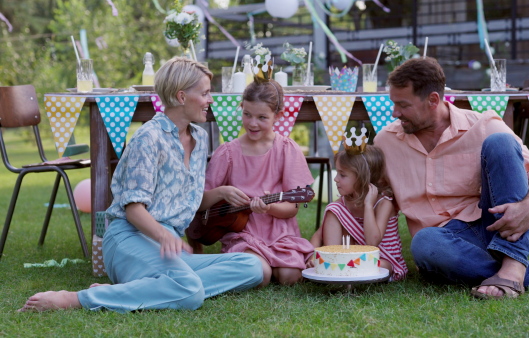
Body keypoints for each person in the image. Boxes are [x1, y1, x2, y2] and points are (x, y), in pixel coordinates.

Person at [19, 57, 263, 313]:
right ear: (181, 96)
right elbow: (134, 210)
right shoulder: (148, 138)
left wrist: (220, 193)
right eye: (204, 93)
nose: (210, 100)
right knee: (190, 293)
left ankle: (147, 287)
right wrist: (163, 235)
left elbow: (185, 200)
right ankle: (75, 299)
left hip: (167, 246)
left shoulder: (200, 139)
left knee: (252, 266)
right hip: (130, 237)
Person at [373, 57, 529, 299]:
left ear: (433, 100)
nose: (395, 112)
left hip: (494, 226)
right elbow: (373, 197)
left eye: (403, 105)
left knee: (501, 143)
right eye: (393, 103)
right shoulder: (385, 142)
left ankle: (513, 264)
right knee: (424, 243)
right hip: (441, 244)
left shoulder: (483, 125)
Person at [200, 71, 314, 287]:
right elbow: (202, 202)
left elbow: (292, 208)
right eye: (247, 114)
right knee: (260, 276)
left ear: (278, 116)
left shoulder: (286, 149)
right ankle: (261, 265)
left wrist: (269, 208)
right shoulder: (228, 152)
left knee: (291, 277)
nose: (252, 123)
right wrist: (222, 192)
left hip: (280, 232)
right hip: (243, 232)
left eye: (262, 117)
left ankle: (276, 262)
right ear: (241, 107)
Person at [309, 137, 408, 281]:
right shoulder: (342, 204)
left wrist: (368, 206)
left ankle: (345, 274)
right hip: (350, 258)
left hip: (382, 257)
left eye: (342, 175)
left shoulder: (383, 203)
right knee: (333, 209)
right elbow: (318, 236)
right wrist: (313, 256)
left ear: (363, 178)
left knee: (382, 266)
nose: (336, 179)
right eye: (337, 173)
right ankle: (333, 263)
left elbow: (372, 242)